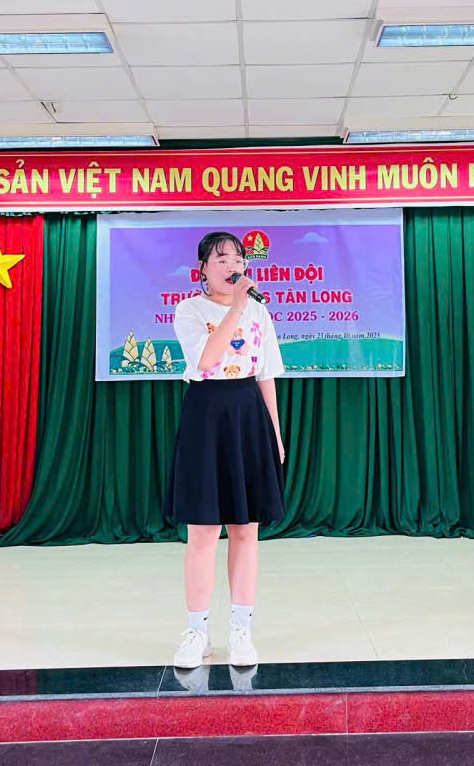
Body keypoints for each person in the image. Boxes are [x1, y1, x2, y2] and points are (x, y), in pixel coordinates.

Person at [165, 231, 286, 669]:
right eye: (221, 259)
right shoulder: (190, 310)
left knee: (245, 529)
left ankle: (241, 629)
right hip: (206, 414)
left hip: (248, 414)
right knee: (202, 531)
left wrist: (274, 434)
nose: (231, 265)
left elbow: (266, 373)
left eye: (237, 258)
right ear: (203, 268)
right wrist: (236, 306)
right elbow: (206, 360)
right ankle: (197, 632)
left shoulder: (258, 312)